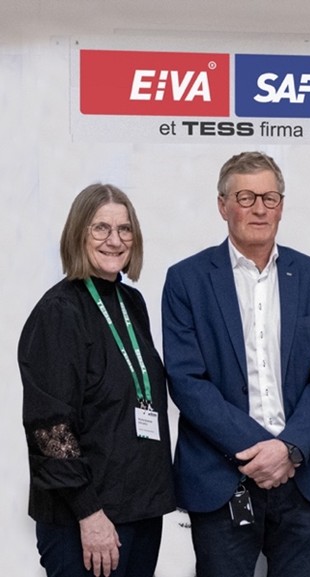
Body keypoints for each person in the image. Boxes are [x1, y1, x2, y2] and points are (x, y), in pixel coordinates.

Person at [161, 151, 310, 577]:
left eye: (269, 197)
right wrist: (263, 450)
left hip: (302, 475)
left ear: (281, 206)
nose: (259, 208)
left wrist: (289, 448)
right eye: (245, 197)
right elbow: (187, 381)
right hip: (222, 476)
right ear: (222, 205)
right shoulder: (187, 279)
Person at [18, 184, 175, 577]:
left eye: (124, 229)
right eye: (101, 228)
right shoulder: (59, 312)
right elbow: (50, 427)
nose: (115, 240)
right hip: (86, 520)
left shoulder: (131, 302)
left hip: (139, 511)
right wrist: (89, 513)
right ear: (78, 234)